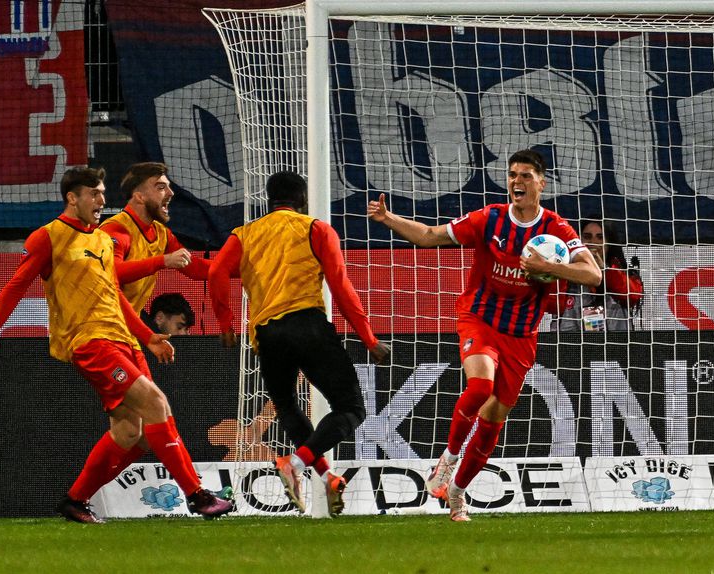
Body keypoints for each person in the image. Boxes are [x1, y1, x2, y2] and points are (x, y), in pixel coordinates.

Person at [0, 166, 233, 523]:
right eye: (94, 194)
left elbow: (114, 294)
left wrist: (147, 337)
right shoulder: (48, 236)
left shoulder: (101, 239)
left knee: (133, 433)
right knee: (156, 403)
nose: (102, 201)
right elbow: (16, 286)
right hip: (89, 340)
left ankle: (75, 500)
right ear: (73, 197)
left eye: (103, 193)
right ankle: (197, 496)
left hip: (122, 338)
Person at [367, 149, 601, 521]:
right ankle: (447, 459)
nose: (517, 182)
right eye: (512, 175)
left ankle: (457, 492)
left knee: (493, 421)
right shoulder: (489, 219)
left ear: (542, 182)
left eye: (526, 176)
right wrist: (387, 218)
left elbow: (594, 275)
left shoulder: (556, 229)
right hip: (480, 318)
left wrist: (549, 267)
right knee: (479, 387)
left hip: (522, 335)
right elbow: (429, 236)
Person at [209, 171, 391, 516]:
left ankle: (326, 477)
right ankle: (294, 463)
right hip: (306, 324)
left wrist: (225, 324)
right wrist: (368, 338)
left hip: (266, 333)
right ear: (302, 200)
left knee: (288, 407)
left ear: (269, 199)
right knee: (352, 408)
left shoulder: (245, 234)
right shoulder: (316, 228)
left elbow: (216, 271)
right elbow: (340, 286)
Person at [99, 162, 210, 315]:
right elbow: (110, 272)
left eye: (168, 187)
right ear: (139, 197)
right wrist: (163, 261)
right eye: (161, 187)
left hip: (123, 328)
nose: (171, 193)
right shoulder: (116, 229)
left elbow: (196, 269)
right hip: (94, 327)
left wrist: (244, 266)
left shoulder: (161, 233)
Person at [548, 218, 644, 332]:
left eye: (600, 237)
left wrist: (603, 269)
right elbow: (550, 305)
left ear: (609, 243)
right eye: (587, 237)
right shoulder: (566, 271)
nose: (593, 242)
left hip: (616, 346)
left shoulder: (622, 271)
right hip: (570, 345)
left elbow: (633, 297)